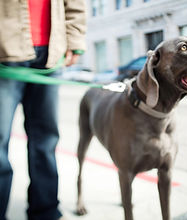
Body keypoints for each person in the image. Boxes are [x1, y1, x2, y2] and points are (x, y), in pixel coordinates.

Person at [0, 0, 86, 220]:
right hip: (4, 51)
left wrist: (74, 39)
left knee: (46, 138)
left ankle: (45, 211)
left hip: (50, 54)